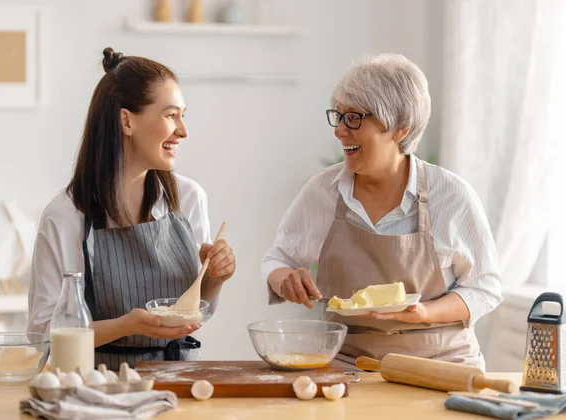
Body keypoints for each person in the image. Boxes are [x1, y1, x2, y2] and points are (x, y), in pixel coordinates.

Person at [262, 53, 502, 370]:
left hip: (443, 363)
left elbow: (485, 287)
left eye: (354, 118)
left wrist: (425, 313)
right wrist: (285, 280)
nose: (339, 130)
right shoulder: (322, 192)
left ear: (400, 128)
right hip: (349, 362)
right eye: (339, 116)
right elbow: (277, 260)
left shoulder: (452, 196)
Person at [28, 48, 236, 369]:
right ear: (127, 121)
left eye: (183, 115)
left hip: (180, 378)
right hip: (99, 387)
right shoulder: (66, 215)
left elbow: (193, 307)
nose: (183, 130)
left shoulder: (189, 197)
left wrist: (216, 277)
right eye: (171, 115)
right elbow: (43, 332)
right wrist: (127, 325)